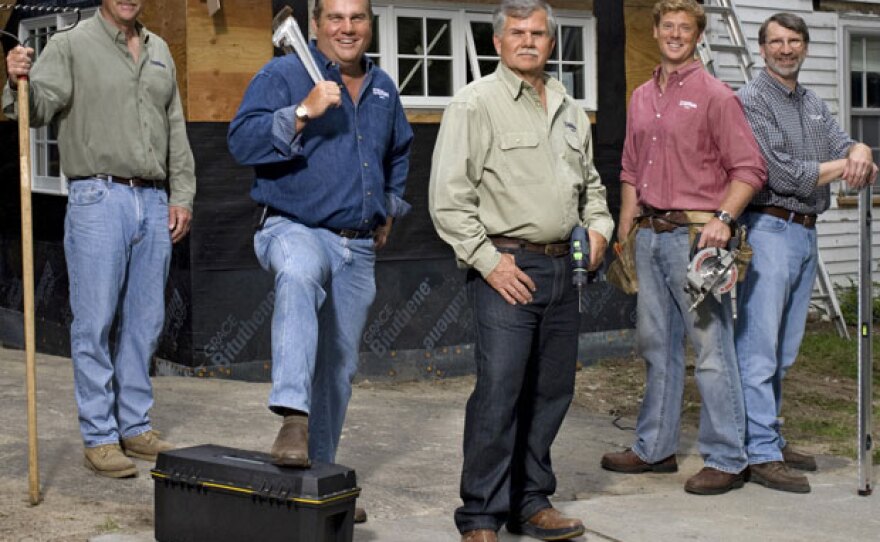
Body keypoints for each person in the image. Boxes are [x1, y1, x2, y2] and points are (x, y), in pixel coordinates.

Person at [429, 2, 612, 540]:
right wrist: (489, 263)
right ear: (498, 42)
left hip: (565, 268)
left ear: (551, 44)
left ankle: (531, 501)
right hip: (507, 266)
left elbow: (593, 188)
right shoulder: (474, 104)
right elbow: (448, 199)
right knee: (500, 391)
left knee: (551, 391)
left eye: (538, 33)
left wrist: (599, 229)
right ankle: (481, 515)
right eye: (517, 33)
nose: (529, 41)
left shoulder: (568, 106)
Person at [227, 0, 412, 508]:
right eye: (335, 17)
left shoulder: (382, 88)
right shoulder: (284, 73)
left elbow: (397, 152)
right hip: (294, 227)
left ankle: (320, 485)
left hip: (357, 246)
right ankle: (292, 415)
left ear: (369, 25)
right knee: (300, 272)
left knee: (336, 370)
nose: (346, 28)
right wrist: (303, 111)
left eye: (357, 18)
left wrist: (389, 206)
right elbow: (241, 142)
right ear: (314, 25)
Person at [3, 0, 195, 478]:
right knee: (94, 323)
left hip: (152, 200)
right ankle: (100, 436)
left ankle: (135, 426)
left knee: (146, 321)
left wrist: (183, 194)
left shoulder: (160, 50)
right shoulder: (70, 44)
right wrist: (15, 79)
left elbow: (175, 124)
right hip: (97, 196)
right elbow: (37, 107)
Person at [600, 0, 767, 495]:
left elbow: (749, 170)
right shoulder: (640, 96)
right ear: (655, 31)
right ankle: (655, 448)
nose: (675, 34)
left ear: (697, 36)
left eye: (685, 28)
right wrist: (626, 224)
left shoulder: (716, 96)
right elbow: (630, 167)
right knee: (656, 346)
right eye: (667, 26)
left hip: (695, 240)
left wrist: (723, 219)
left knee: (711, 350)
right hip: (649, 235)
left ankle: (729, 456)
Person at [734, 12, 877, 494]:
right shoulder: (751, 100)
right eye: (776, 41)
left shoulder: (812, 101)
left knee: (785, 350)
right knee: (758, 350)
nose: (786, 49)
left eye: (794, 40)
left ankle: (770, 435)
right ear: (762, 47)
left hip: (805, 232)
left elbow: (842, 142)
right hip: (768, 228)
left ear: (806, 47)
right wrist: (849, 162)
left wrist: (858, 146)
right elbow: (784, 174)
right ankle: (759, 453)